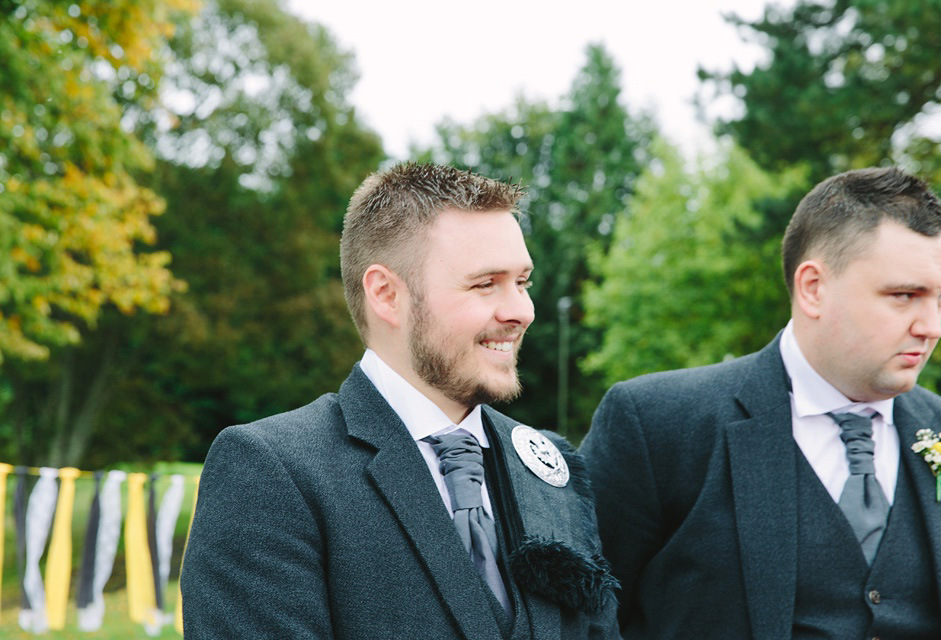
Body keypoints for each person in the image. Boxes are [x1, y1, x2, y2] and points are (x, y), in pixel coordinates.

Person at [180, 163, 620, 639]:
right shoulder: (272, 471)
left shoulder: (549, 466)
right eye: (485, 283)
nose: (521, 311)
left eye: (523, 282)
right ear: (386, 295)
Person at [581, 167, 941, 640]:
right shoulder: (658, 425)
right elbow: (580, 616)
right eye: (905, 296)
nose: (933, 326)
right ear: (813, 288)